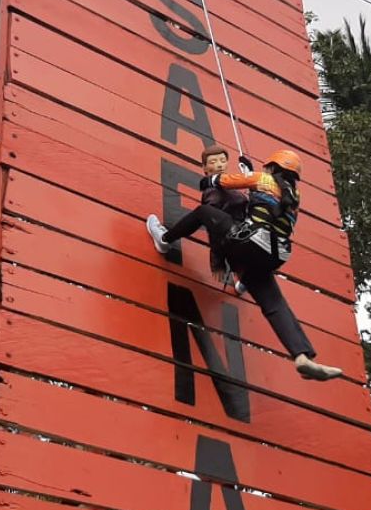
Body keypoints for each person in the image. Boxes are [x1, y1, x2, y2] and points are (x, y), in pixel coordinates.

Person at [146, 149, 343, 382]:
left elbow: (227, 181)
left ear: (271, 168)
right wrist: (249, 171)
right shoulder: (294, 197)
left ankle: (165, 239)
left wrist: (210, 180)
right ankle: (302, 356)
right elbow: (264, 201)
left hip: (249, 242)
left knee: (203, 212)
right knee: (274, 304)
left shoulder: (262, 178)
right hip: (273, 254)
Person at [197, 144, 248, 288]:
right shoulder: (213, 192)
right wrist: (217, 261)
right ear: (205, 168)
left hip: (242, 231)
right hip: (231, 234)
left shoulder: (232, 187)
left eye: (222, 161)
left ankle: (245, 278)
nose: (219, 165)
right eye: (213, 162)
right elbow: (213, 227)